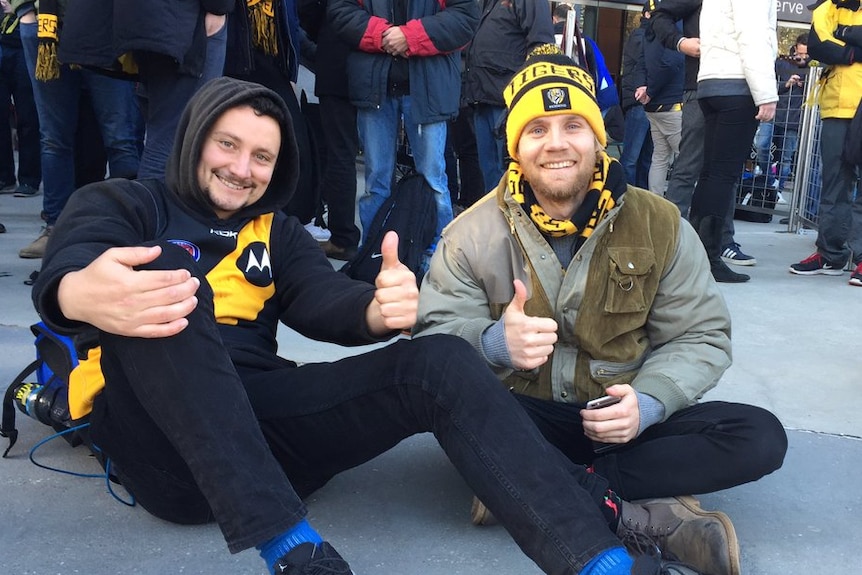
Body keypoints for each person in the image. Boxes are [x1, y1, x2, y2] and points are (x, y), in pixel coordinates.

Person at [32, 75, 722, 575]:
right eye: (227, 146)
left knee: (439, 362)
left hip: (267, 428)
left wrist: (376, 307)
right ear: (193, 140)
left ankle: (599, 561)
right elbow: (66, 268)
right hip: (162, 449)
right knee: (166, 292)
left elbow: (324, 302)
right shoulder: (124, 203)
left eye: (262, 157)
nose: (242, 169)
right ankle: (294, 551)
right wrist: (78, 290)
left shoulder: (278, 230)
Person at [416, 46, 788, 575]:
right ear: (516, 147)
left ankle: (524, 486)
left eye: (573, 125)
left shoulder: (660, 222)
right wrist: (494, 343)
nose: (557, 144)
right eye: (537, 130)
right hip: (526, 414)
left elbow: (701, 335)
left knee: (758, 435)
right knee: (467, 420)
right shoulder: (471, 232)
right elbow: (433, 343)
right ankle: (635, 509)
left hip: (623, 421)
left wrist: (649, 402)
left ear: (597, 137)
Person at [329, 0, 478, 257]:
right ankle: (375, 256)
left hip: (424, 89)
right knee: (382, 181)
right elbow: (340, 11)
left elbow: (465, 17)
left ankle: (438, 258)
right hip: (379, 87)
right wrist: (384, 36)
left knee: (430, 179)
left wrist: (409, 37)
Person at [10, 0, 142, 259]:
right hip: (46, 28)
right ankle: (55, 228)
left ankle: (128, 229)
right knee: (54, 138)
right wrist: (25, 9)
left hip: (106, 24)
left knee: (120, 138)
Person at [58, 0, 231, 180]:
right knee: (173, 140)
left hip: (153, 23)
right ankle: (152, 206)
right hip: (183, 22)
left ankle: (153, 203)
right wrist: (218, 8)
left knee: (164, 135)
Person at [648, 0, 756, 276]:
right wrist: (681, 42)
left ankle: (721, 241)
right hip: (700, 86)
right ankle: (667, 240)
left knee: (726, 170)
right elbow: (660, 16)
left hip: (737, 87)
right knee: (689, 167)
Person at [688, 0, 777, 283]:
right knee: (723, 176)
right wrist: (766, 93)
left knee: (710, 173)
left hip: (711, 83)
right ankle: (710, 258)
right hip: (737, 85)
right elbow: (753, 39)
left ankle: (696, 256)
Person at [788, 2, 862, 285]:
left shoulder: (833, 15)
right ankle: (830, 254)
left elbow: (832, 44)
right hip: (835, 108)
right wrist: (855, 48)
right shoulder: (826, 8)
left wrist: (842, 33)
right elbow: (819, 46)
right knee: (833, 183)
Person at [462, 0, 553, 194]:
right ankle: (495, 221)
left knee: (512, 174)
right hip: (482, 98)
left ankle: (513, 222)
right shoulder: (486, 4)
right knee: (490, 174)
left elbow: (541, 45)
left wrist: (524, 96)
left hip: (508, 104)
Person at [753, 34, 810, 193]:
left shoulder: (814, 67)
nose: (803, 57)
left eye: (806, 54)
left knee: (786, 159)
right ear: (795, 49)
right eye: (800, 53)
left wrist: (806, 85)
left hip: (795, 119)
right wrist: (787, 84)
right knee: (761, 146)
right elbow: (769, 85)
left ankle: (777, 192)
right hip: (774, 113)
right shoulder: (782, 63)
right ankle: (771, 182)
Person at [638, 0, 683, 196]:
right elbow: (672, 63)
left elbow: (640, 63)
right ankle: (678, 206)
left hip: (653, 108)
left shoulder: (646, 34)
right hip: (672, 105)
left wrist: (646, 90)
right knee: (685, 158)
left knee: (660, 157)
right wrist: (652, 90)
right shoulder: (674, 31)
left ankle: (657, 203)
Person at [0, 3, 40, 198]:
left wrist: (19, 7)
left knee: (29, 114)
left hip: (26, 43)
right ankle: (4, 176)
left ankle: (29, 178)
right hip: (3, 43)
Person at [619, 4, 653, 189]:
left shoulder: (643, 36)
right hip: (639, 103)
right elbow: (648, 63)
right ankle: (628, 199)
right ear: (647, 14)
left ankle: (639, 201)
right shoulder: (641, 36)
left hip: (643, 104)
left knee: (642, 158)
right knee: (633, 157)